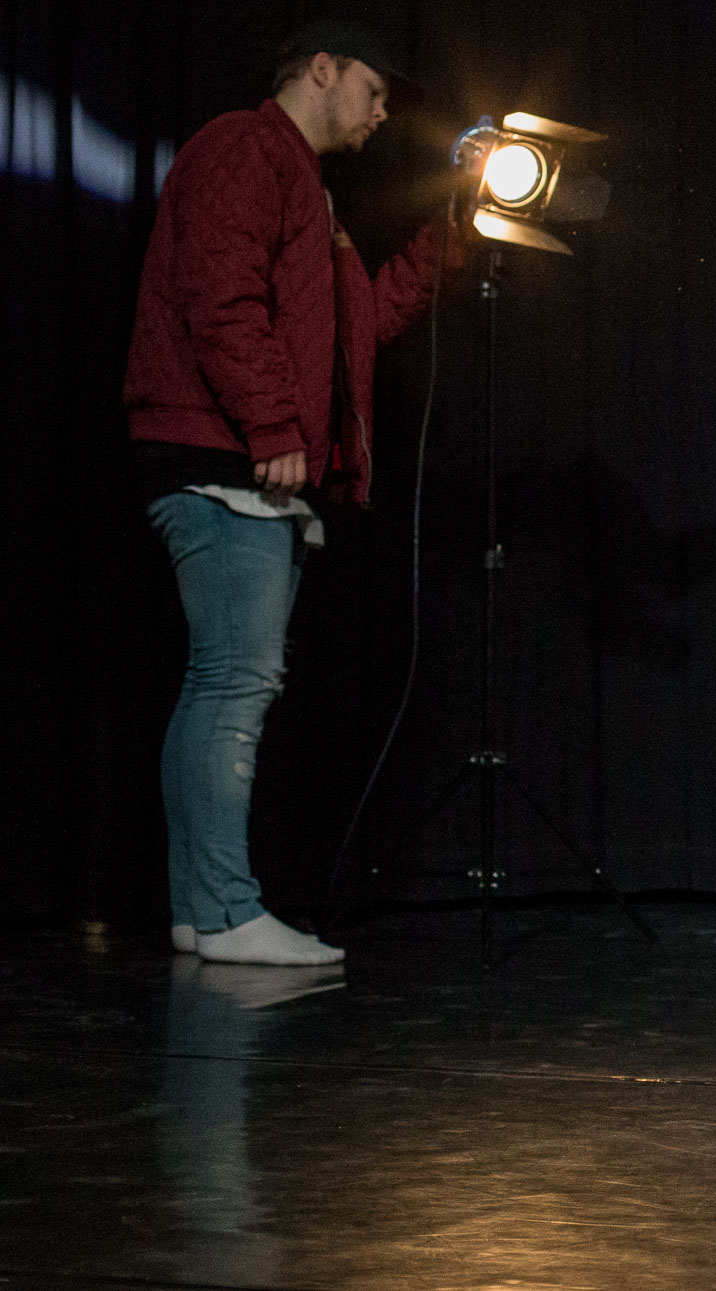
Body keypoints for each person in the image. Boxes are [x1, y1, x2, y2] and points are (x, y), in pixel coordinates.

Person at [125, 19, 457, 966]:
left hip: (231, 453)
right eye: (374, 90)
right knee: (235, 680)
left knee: (223, 678)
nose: (382, 112)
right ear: (322, 69)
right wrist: (272, 427)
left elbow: (358, 326)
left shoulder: (306, 188)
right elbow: (220, 295)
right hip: (219, 454)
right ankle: (229, 912)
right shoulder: (243, 147)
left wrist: (450, 241)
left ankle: (202, 909)